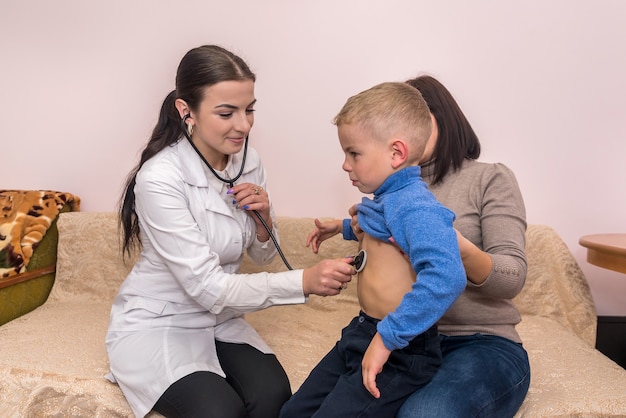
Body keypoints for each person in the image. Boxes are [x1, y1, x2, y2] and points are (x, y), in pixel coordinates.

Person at [105, 45, 355, 418]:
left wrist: (263, 219)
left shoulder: (248, 162)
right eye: (227, 113)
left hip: (221, 319)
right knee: (219, 411)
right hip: (159, 323)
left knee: (274, 397)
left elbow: (263, 256)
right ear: (185, 110)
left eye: (249, 109)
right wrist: (303, 281)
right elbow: (208, 288)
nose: (244, 125)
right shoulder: (160, 178)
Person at [307, 75, 531, 418]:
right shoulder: (386, 186)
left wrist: (453, 244)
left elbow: (510, 278)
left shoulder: (488, 179)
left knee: (423, 413)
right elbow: (377, 239)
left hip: (478, 340)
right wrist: (345, 229)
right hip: (408, 337)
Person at [279, 82, 467, 418]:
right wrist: (342, 227)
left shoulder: (417, 209)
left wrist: (386, 339)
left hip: (401, 347)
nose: (345, 165)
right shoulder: (391, 199)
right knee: (293, 412)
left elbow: (448, 275)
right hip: (363, 330)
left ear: (396, 153)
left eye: (354, 153)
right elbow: (379, 227)